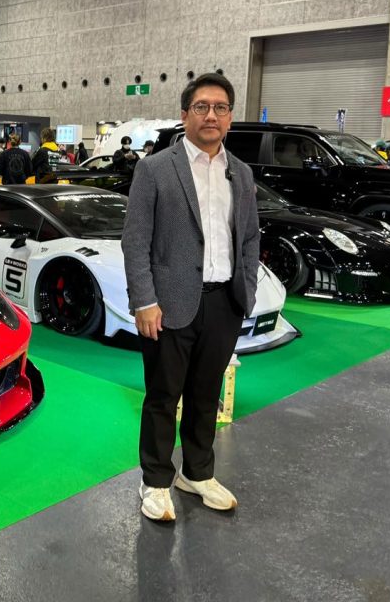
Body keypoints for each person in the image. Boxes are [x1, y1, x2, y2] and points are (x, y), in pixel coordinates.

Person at [123, 72, 259, 521]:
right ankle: (155, 480)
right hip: (168, 305)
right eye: (201, 107)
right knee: (163, 396)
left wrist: (245, 292)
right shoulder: (155, 169)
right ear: (185, 115)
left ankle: (198, 473)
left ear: (230, 118)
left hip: (223, 304)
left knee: (205, 395)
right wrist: (144, 301)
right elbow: (135, 241)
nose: (211, 115)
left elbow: (250, 238)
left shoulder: (241, 173)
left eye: (220, 108)